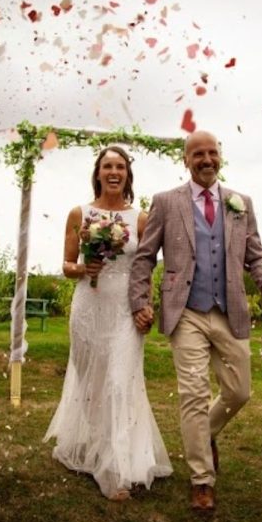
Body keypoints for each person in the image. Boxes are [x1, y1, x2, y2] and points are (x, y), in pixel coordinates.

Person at [128, 131, 262, 512]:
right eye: (197, 153)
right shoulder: (166, 203)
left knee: (239, 392)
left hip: (230, 309)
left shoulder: (240, 203)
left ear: (220, 157)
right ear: (186, 160)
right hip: (185, 313)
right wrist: (140, 301)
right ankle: (202, 480)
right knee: (193, 393)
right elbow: (145, 257)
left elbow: (256, 255)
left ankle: (205, 433)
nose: (206, 159)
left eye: (212, 152)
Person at [43, 146, 173, 501]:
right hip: (88, 308)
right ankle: (101, 447)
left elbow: (145, 268)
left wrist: (145, 306)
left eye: (120, 167)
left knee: (119, 382)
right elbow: (67, 265)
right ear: (98, 173)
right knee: (93, 385)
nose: (113, 172)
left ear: (127, 175)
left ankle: (114, 471)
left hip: (125, 312)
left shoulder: (141, 219)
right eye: (107, 166)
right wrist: (84, 268)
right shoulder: (78, 213)